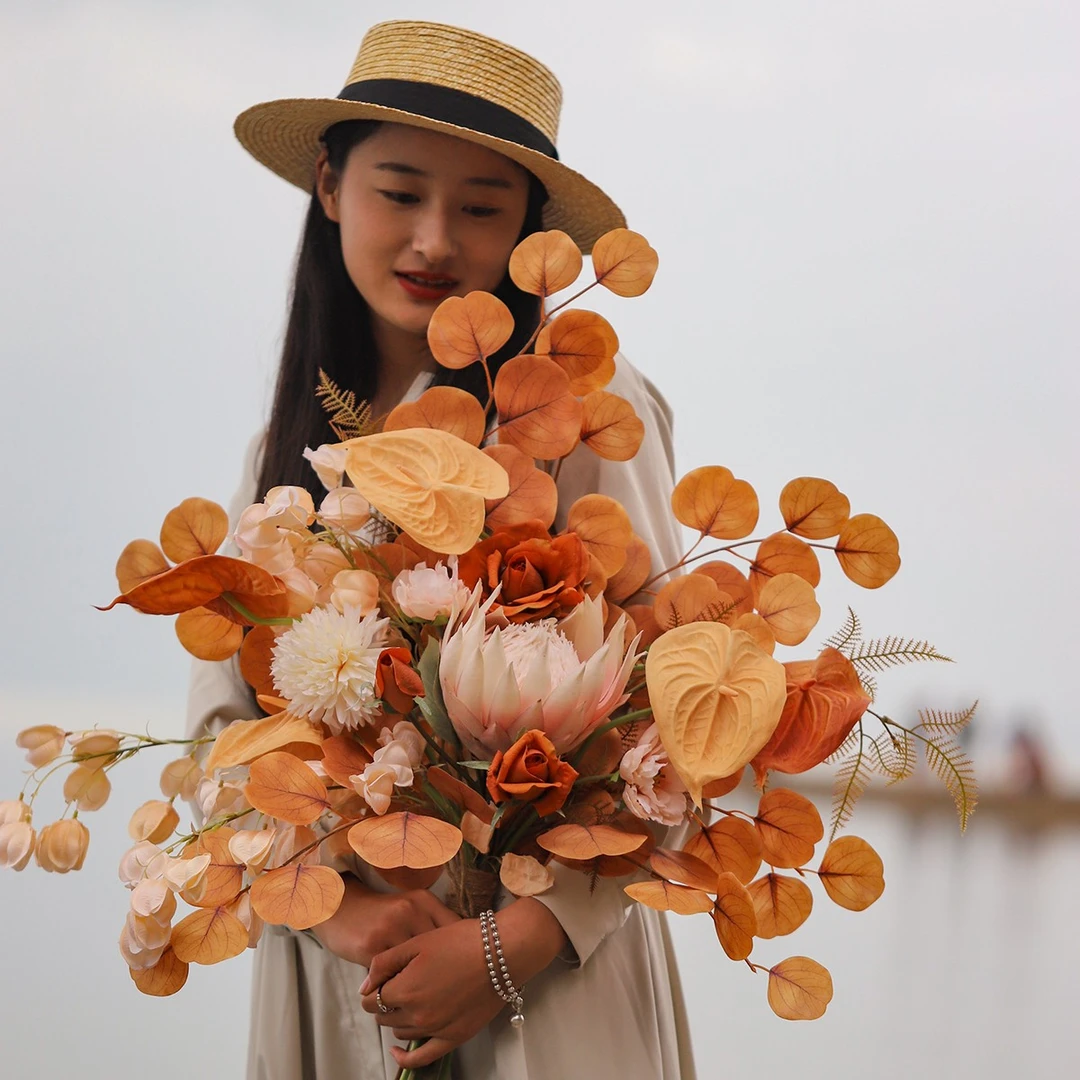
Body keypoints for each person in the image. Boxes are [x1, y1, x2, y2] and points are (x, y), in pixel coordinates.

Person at [186, 20, 696, 1080]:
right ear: (329, 186)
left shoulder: (588, 417)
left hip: (549, 997)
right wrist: (338, 916)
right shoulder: (277, 464)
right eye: (399, 191)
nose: (433, 241)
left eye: (479, 208)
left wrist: (509, 952)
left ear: (526, 230)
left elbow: (682, 725)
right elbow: (220, 743)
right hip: (337, 985)